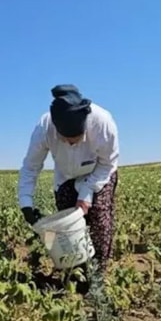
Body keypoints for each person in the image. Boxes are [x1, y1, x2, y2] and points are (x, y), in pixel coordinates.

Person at [18, 84, 120, 276]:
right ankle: (75, 271)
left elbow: (108, 163)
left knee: (99, 219)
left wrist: (87, 192)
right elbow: (30, 167)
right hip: (65, 177)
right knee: (64, 227)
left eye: (76, 138)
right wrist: (26, 203)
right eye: (66, 139)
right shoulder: (44, 128)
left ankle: (98, 274)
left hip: (99, 172)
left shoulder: (103, 123)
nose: (71, 143)